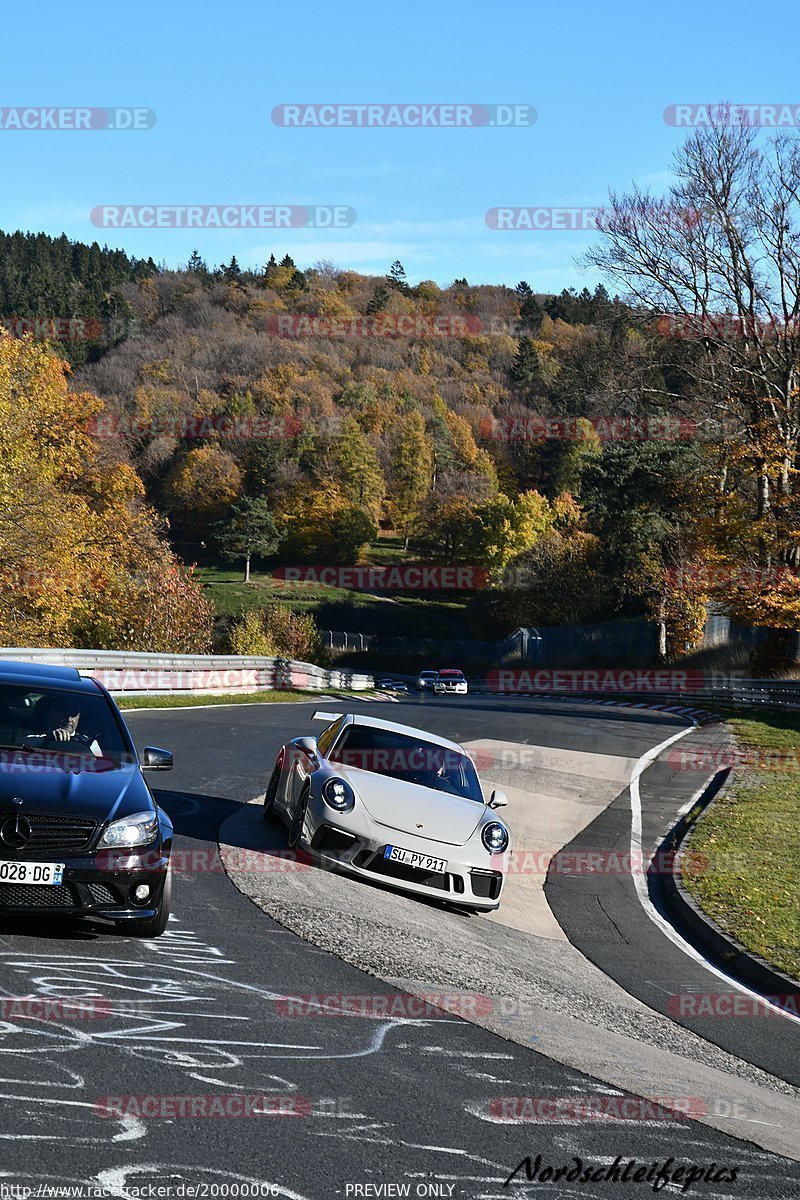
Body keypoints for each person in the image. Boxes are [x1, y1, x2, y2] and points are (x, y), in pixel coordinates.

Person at [23, 700, 102, 756]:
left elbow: (100, 769)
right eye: (63, 713)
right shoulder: (33, 737)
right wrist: (49, 739)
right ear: (51, 714)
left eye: (73, 714)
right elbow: (17, 749)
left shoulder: (89, 743)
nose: (69, 719)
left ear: (79, 717)